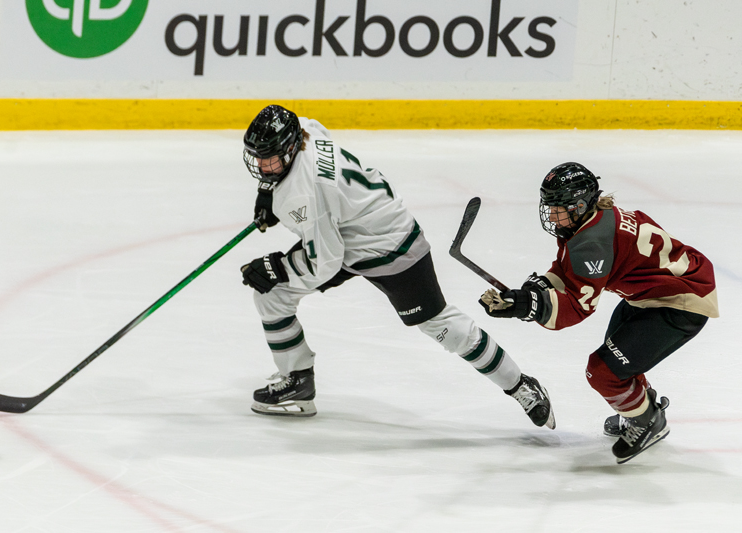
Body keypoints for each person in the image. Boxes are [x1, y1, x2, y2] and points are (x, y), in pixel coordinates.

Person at [238, 104, 555, 429]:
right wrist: (269, 189)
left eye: (270, 158)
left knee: (440, 326)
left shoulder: (302, 194)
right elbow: (319, 155)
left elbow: (325, 262)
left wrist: (278, 267)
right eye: (258, 157)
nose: (262, 165)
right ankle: (297, 382)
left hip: (391, 243)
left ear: (291, 147)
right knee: (271, 295)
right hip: (347, 230)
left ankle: (519, 385)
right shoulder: (306, 130)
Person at [480, 162, 718, 463]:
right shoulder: (591, 221)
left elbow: (576, 308)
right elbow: (568, 273)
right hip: (654, 295)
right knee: (618, 363)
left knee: (603, 371)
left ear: (579, 204)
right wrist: (534, 292)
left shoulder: (592, 242)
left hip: (682, 302)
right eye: (550, 206)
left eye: (558, 207)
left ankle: (646, 420)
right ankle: (640, 408)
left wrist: (529, 306)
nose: (552, 215)